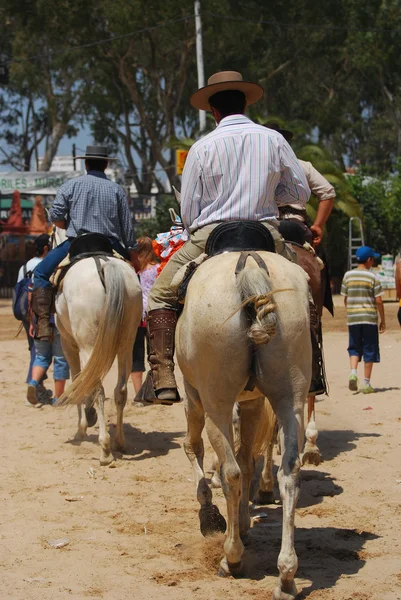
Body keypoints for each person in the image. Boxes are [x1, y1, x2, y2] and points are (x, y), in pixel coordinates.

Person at [136, 70, 311, 405]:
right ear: (245, 104)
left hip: (211, 237)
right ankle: (313, 372)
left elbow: (188, 213)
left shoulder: (201, 148)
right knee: (305, 291)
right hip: (267, 235)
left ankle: (164, 375)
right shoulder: (274, 140)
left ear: (213, 111)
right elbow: (299, 193)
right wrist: (269, 196)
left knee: (159, 295)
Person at [30, 145, 139, 340]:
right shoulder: (117, 190)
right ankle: (136, 324)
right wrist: (132, 253)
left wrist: (67, 223)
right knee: (134, 279)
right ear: (106, 164)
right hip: (110, 244)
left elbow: (55, 216)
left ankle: (44, 325)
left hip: (75, 243)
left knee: (40, 274)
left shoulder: (71, 185)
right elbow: (127, 228)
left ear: (86, 164)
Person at [264, 122, 335, 246]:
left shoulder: (251, 168)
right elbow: (328, 193)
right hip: (295, 227)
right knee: (316, 263)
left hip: (263, 227)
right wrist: (318, 225)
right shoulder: (302, 165)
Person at [341, 246, 385, 393]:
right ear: (369, 260)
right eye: (373, 259)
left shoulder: (348, 276)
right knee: (369, 348)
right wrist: (382, 319)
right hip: (369, 319)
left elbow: (345, 298)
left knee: (354, 347)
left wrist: (351, 310)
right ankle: (366, 383)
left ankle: (353, 372)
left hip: (353, 318)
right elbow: (378, 300)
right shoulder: (372, 277)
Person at [17, 234, 53, 405]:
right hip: (41, 312)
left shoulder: (24, 266)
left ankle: (39, 387)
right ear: (46, 248)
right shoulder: (45, 265)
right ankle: (34, 388)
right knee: (42, 353)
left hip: (25, 312)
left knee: (35, 349)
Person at [131, 237, 159, 397]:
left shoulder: (133, 270)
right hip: (153, 313)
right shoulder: (157, 269)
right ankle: (154, 390)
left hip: (135, 316)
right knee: (154, 354)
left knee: (136, 355)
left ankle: (137, 393)